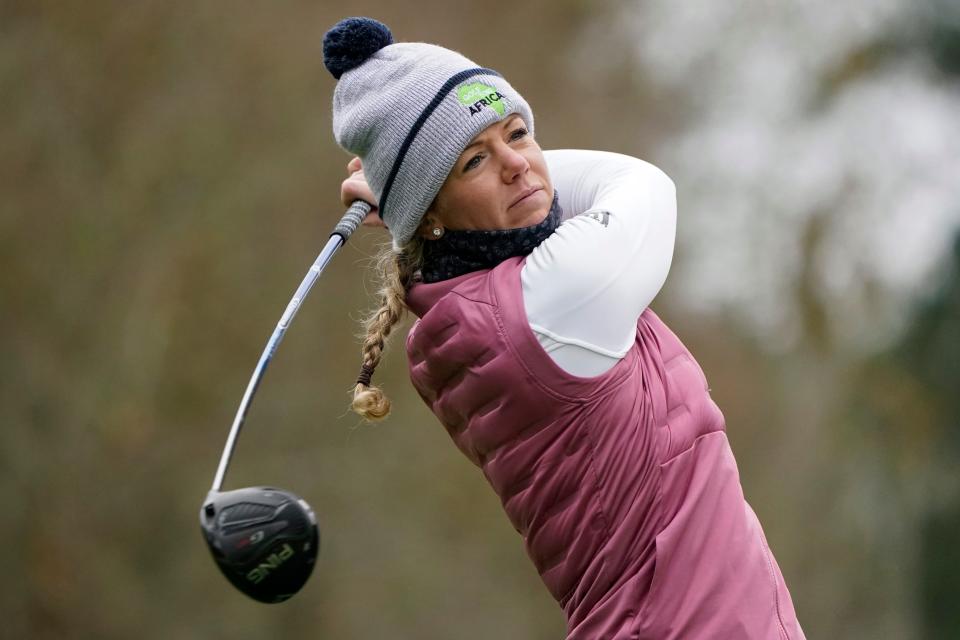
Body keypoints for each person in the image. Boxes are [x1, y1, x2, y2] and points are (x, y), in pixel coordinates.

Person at [324, 17, 805, 640]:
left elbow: (536, 184)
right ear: (432, 214)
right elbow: (642, 184)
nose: (518, 166)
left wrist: (412, 195)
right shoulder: (551, 299)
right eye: (474, 161)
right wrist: (405, 196)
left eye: (518, 134)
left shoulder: (468, 309)